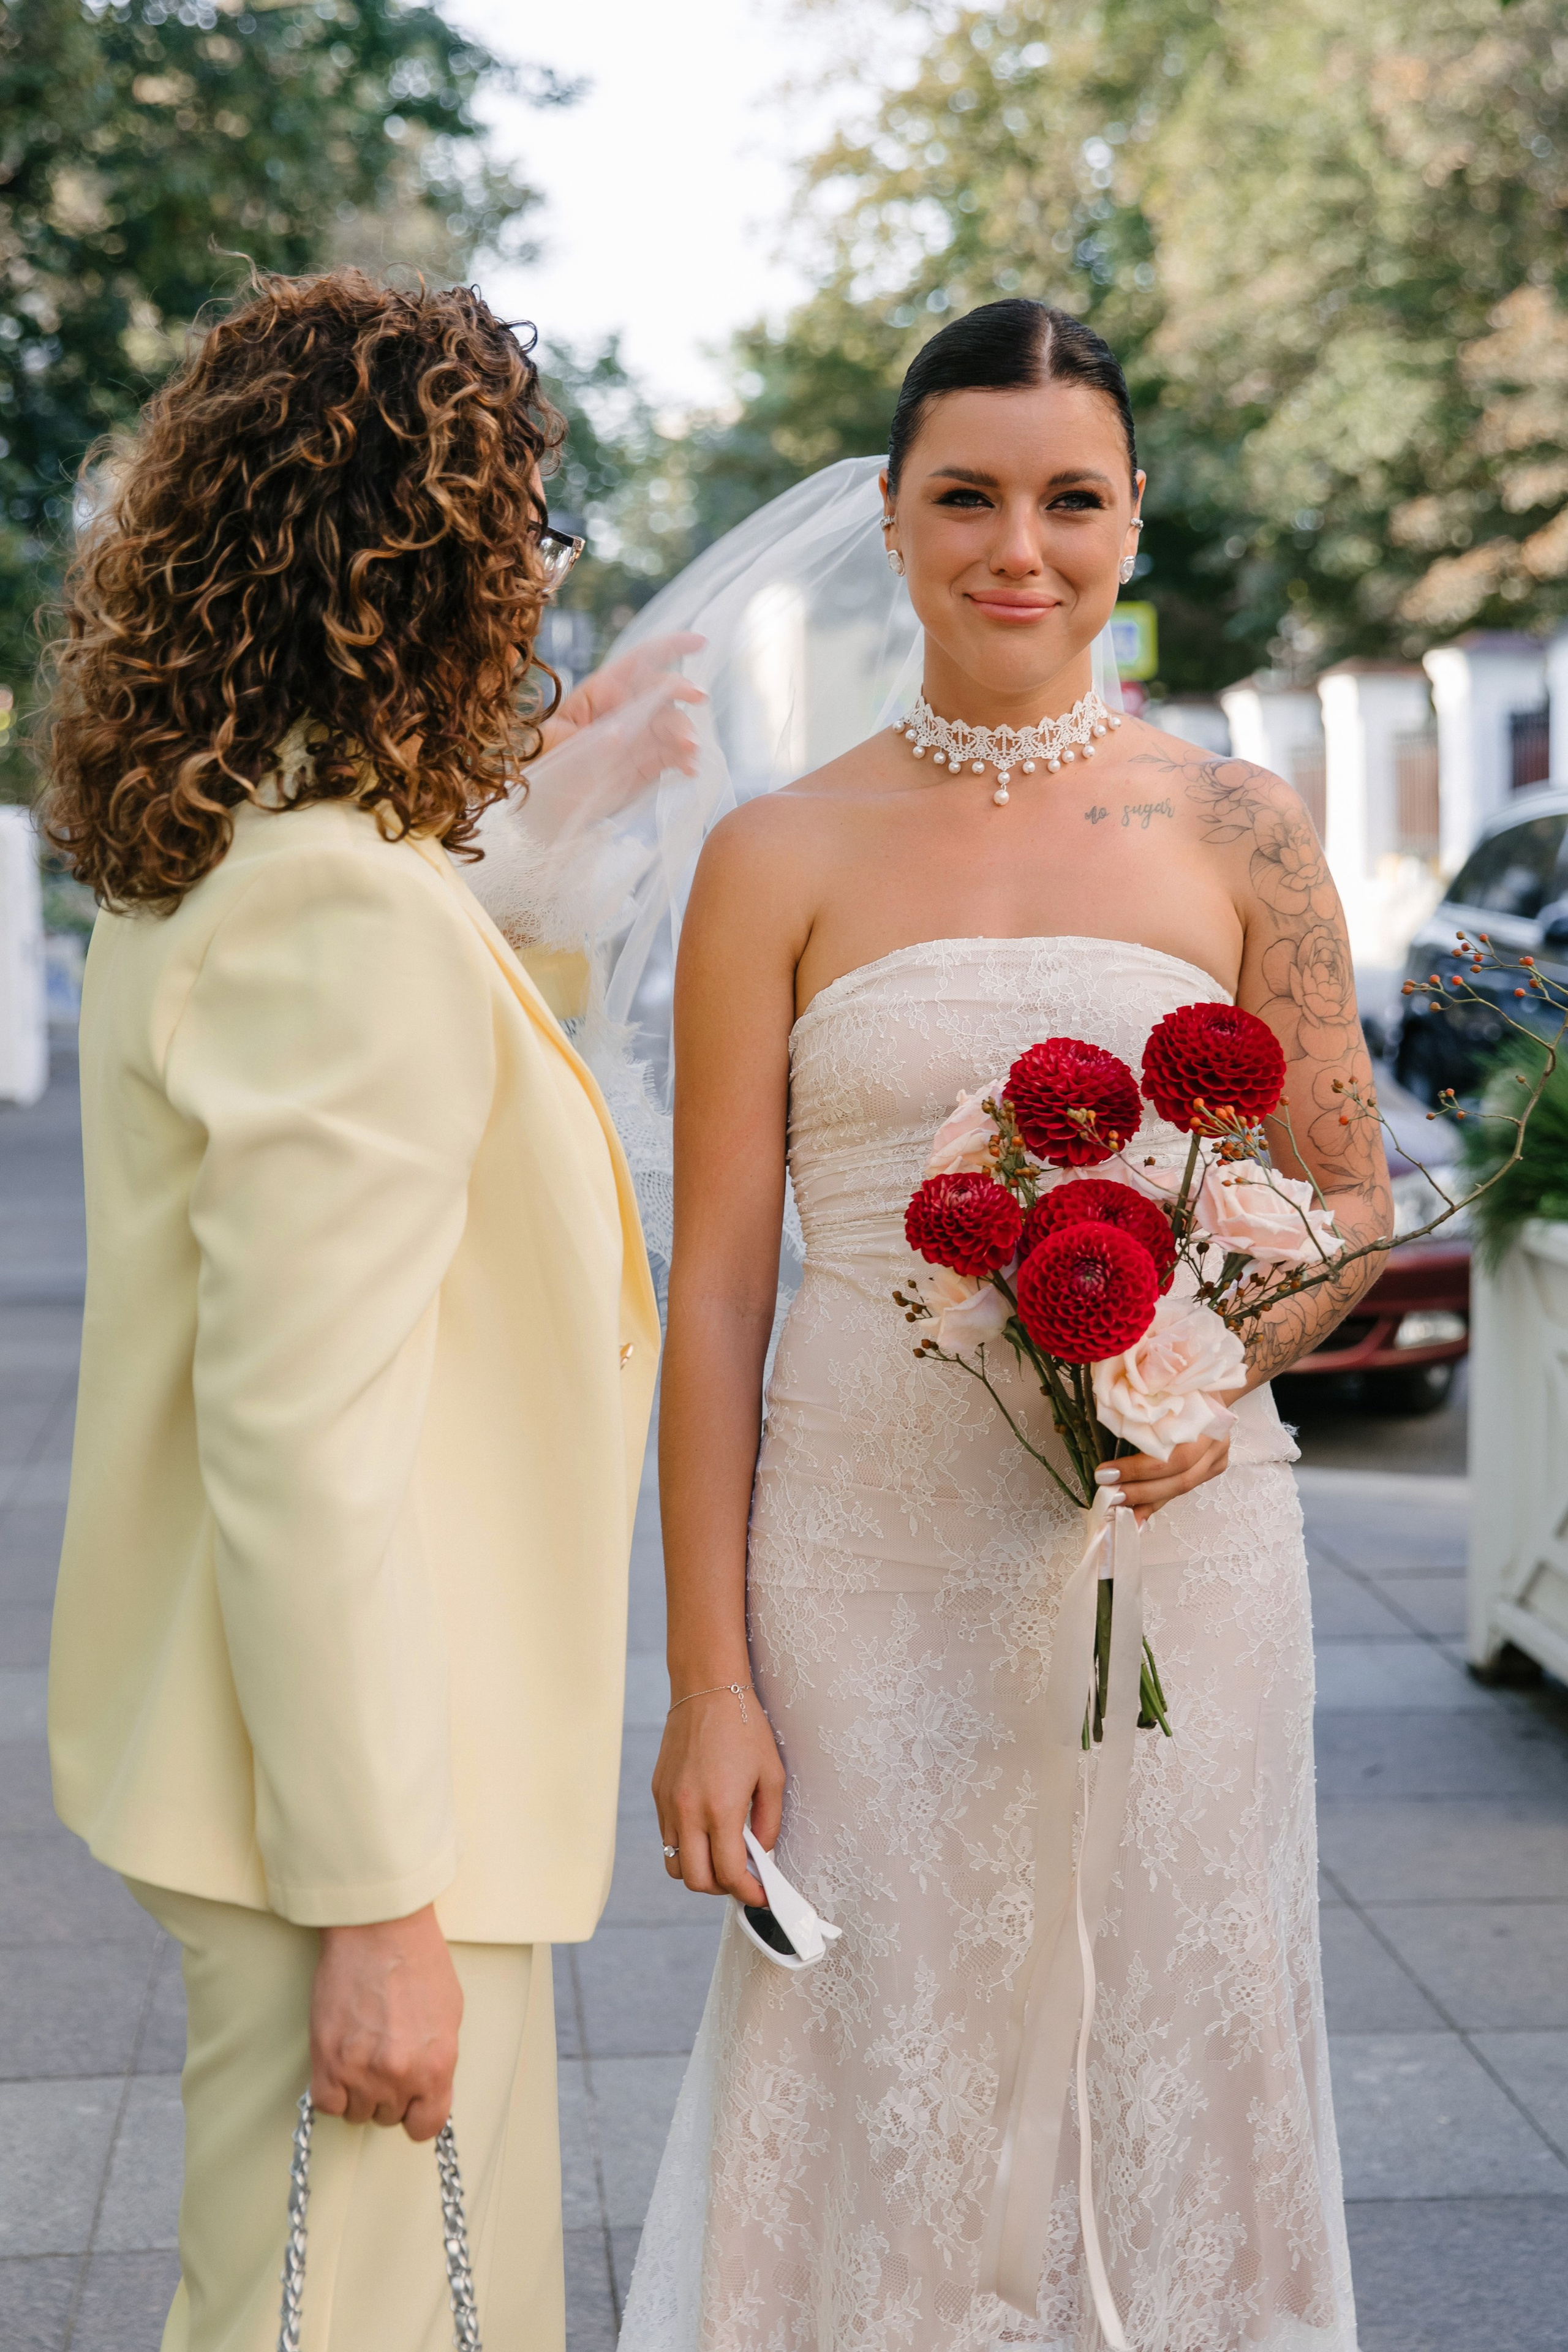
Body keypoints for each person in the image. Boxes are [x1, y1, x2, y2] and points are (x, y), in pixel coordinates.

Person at [620, 301, 1384, 2349]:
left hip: (1179, 1562)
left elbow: (1352, 1208)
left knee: (1171, 2052)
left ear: (1134, 516)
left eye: (1069, 496)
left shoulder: (1240, 831)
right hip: (860, 1584)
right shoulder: (775, 853)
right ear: (889, 517)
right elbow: (714, 1290)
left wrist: (1208, 1374)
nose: (1016, 546)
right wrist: (710, 1680)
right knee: (886, 2071)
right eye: (966, 495)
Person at [41, 268, 672, 2351]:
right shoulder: (338, 906)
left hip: (306, 1790)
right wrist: (380, 1904)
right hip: (368, 1822)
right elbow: (303, 1451)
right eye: (530, 534)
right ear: (445, 557)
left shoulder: (235, 856)